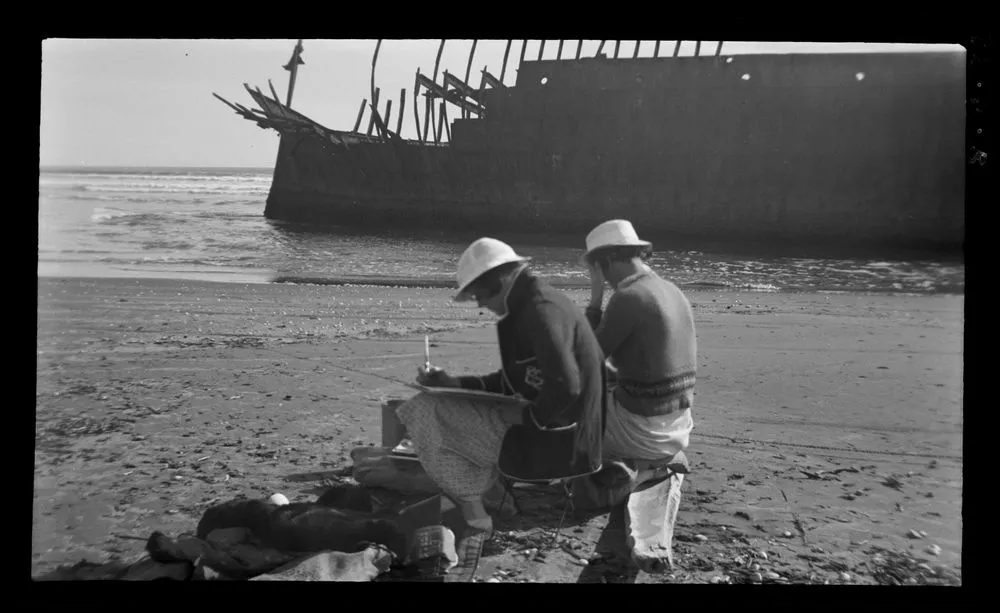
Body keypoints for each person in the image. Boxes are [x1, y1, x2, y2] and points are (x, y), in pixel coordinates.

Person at [394, 237, 607, 542]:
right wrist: (455, 384)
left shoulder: (540, 311)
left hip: (564, 442)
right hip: (569, 431)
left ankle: (476, 516)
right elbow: (516, 380)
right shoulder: (533, 302)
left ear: (497, 281)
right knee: (438, 404)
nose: (479, 303)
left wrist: (526, 417)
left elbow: (566, 387)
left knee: (426, 411)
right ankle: (484, 493)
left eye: (478, 294)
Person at [575, 219, 696, 506]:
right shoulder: (671, 290)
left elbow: (585, 361)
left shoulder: (628, 298)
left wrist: (594, 299)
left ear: (604, 262)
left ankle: (628, 468)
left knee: (565, 406)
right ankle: (652, 463)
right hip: (678, 427)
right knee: (607, 383)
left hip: (643, 433)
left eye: (597, 270)